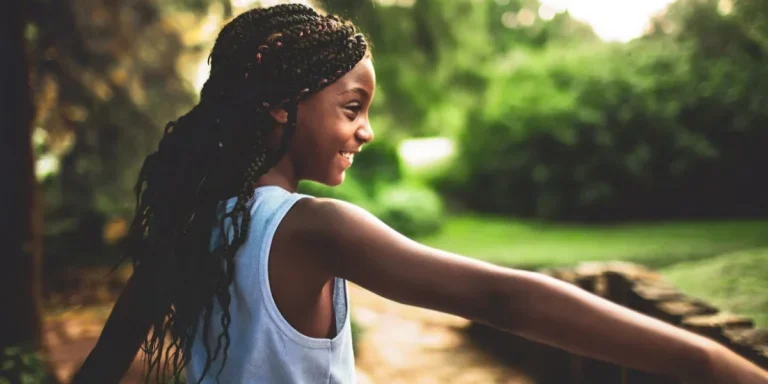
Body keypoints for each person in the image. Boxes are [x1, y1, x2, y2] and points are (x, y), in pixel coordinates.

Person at [72, 4, 768, 384]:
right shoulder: (314, 229)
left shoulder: (194, 225)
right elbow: (500, 298)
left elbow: (102, 367)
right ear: (282, 102)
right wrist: (703, 359)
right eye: (352, 107)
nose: (367, 131)